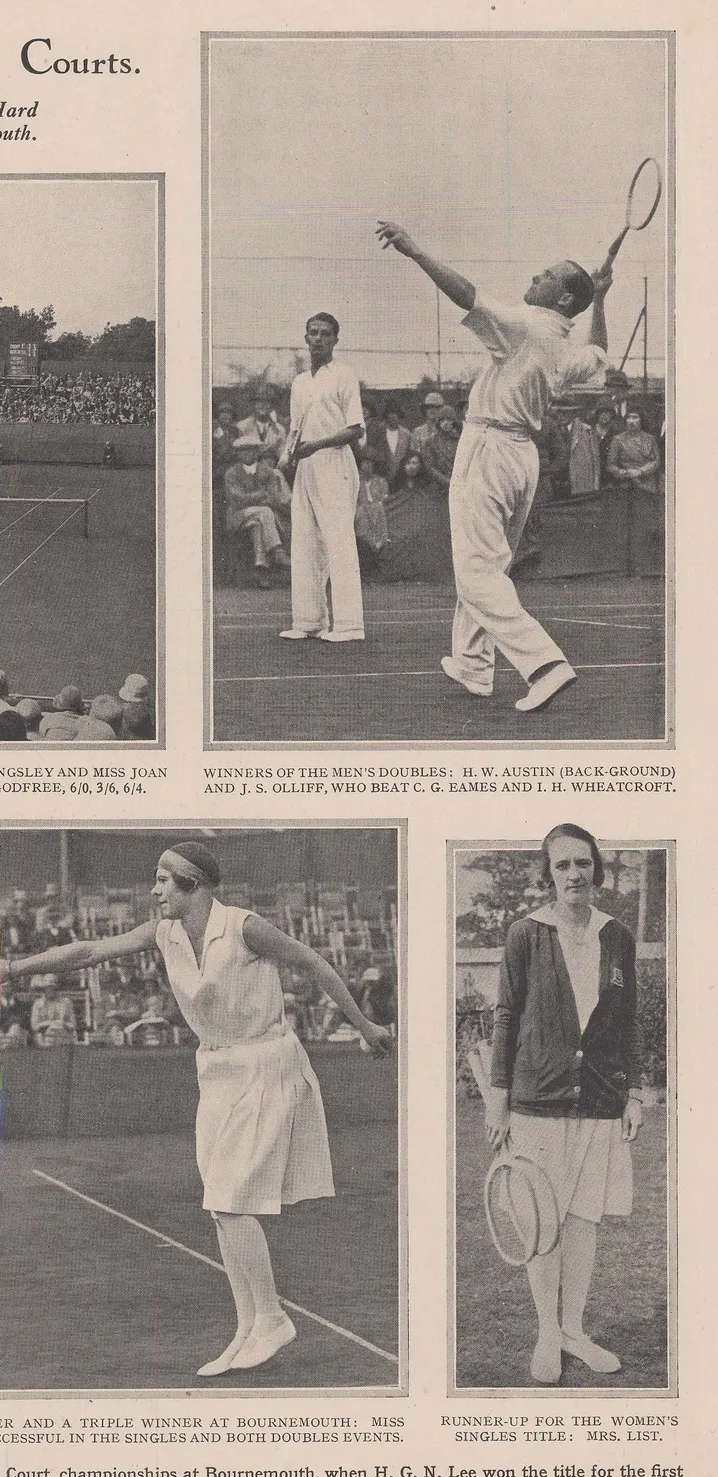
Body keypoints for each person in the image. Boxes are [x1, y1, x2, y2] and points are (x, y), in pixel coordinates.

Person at [0, 842, 391, 1375]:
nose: (154, 891)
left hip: (267, 1065)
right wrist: (13, 966)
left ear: (193, 885)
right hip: (216, 1072)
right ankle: (249, 1326)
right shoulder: (162, 932)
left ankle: (272, 1318)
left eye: (163, 881)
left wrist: (364, 1025)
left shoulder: (246, 927)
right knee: (219, 1205)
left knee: (231, 1200)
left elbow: (311, 962)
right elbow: (84, 953)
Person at [377, 220, 613, 711]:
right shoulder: (567, 346)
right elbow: (601, 354)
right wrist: (604, 297)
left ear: (564, 300)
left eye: (547, 275)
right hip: (520, 457)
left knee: (476, 572)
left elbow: (467, 294)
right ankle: (472, 665)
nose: (535, 276)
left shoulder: (525, 325)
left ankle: (545, 665)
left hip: (487, 449)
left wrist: (414, 249)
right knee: (489, 563)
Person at [486, 824, 645, 1385]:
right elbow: (506, 1016)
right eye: (562, 866)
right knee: (541, 1221)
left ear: (596, 869)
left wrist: (632, 1092)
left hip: (601, 1101)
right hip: (537, 1100)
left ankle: (573, 1329)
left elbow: (626, 1022)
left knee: (582, 1221)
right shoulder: (525, 935)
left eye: (583, 864)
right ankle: (547, 1334)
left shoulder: (618, 936)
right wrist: (498, 1100)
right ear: (548, 874)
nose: (574, 875)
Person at [278, 313, 367, 642]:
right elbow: (294, 428)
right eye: (313, 333)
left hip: (335, 464)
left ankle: (349, 626)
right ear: (305, 337)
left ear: (335, 339)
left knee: (339, 543)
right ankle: (309, 621)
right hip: (306, 468)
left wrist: (316, 445)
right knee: (304, 542)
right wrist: (287, 455)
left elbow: (355, 429)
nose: (318, 339)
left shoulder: (344, 375)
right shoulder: (299, 382)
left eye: (325, 334)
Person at [223, 434, 292, 587]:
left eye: (252, 450)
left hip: (257, 519)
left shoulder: (267, 471)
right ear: (239, 454)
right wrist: (260, 495)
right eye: (244, 451)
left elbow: (272, 495)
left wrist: (252, 498)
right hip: (238, 516)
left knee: (259, 523)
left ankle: (261, 567)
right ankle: (278, 551)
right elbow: (236, 498)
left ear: (257, 452)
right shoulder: (232, 473)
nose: (248, 454)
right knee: (265, 512)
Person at [606, 410, 661, 493]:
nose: (631, 421)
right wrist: (623, 472)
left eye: (635, 417)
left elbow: (656, 461)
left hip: (647, 485)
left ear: (641, 420)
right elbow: (610, 464)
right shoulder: (618, 439)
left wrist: (640, 471)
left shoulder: (650, 439)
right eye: (628, 417)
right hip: (625, 485)